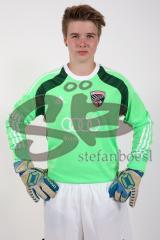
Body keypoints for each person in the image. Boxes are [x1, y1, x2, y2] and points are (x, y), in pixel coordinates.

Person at [6, 4, 152, 240]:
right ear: (65, 39)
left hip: (106, 190)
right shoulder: (48, 84)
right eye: (75, 36)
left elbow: (143, 123)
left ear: (98, 40)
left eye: (89, 36)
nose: (82, 43)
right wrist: (24, 167)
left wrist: (135, 169)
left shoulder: (116, 84)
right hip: (59, 192)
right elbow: (16, 120)